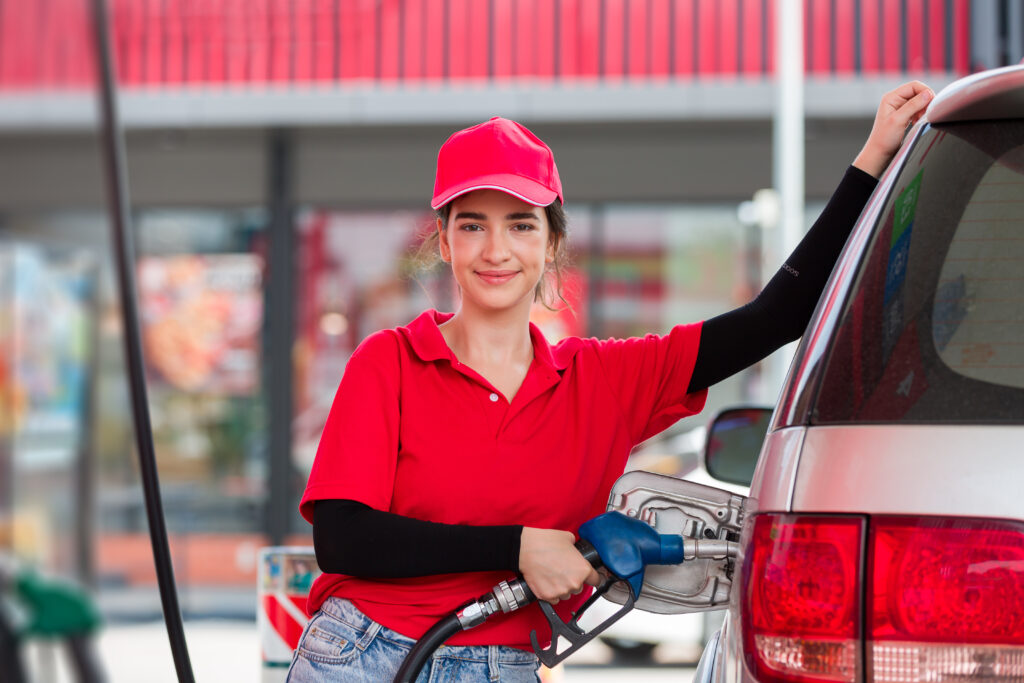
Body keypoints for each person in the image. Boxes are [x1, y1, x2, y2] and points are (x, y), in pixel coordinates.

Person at [286, 81, 935, 682]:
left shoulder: (602, 378)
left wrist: (874, 156)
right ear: (445, 240)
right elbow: (342, 537)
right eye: (472, 224)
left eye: (520, 224)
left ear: (550, 242)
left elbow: (777, 317)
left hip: (503, 662)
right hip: (366, 652)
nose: (495, 249)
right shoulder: (391, 361)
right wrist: (517, 548)